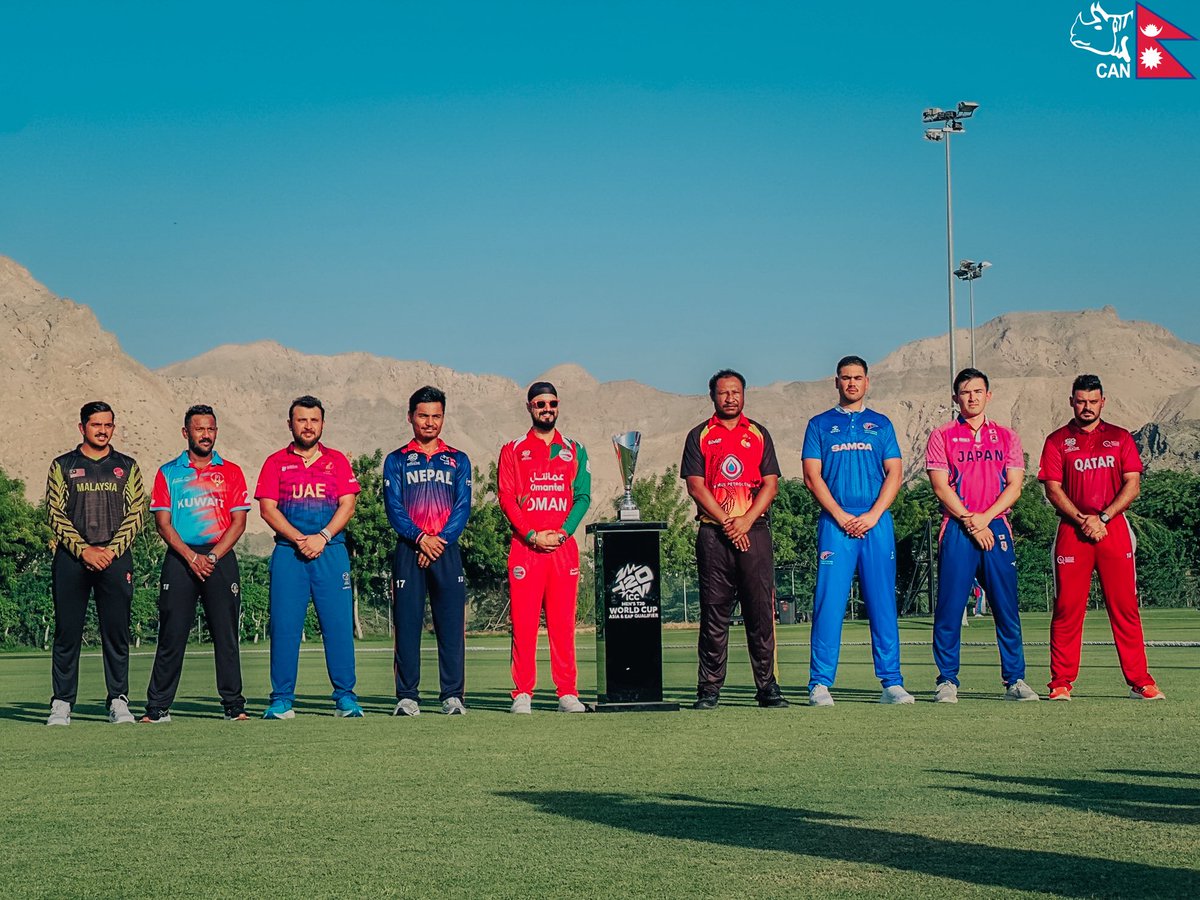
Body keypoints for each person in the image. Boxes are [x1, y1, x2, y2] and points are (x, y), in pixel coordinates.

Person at [1037, 374, 1164, 701]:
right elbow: (1052, 489)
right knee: (1067, 608)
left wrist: (1103, 517)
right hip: (1072, 530)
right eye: (1081, 401)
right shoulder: (1057, 440)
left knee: (1125, 607)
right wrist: (1082, 519)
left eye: (1093, 401)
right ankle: (1061, 683)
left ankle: (1140, 682)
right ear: (1071, 402)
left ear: (1102, 402)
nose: (1087, 407)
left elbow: (1133, 484)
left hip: (1113, 529)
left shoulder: (1120, 438)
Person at [802, 356, 913, 706]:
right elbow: (812, 477)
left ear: (867, 381)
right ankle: (820, 683)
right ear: (836, 382)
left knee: (882, 603)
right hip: (835, 525)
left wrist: (873, 515)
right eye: (846, 377)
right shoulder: (819, 424)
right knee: (829, 603)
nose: (852, 383)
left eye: (858, 377)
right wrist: (839, 515)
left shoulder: (881, 424)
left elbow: (895, 473)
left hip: (875, 524)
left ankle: (891, 683)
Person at [925, 368, 1039, 702]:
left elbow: (1015, 486)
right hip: (957, 527)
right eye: (965, 392)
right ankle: (947, 680)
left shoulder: (1007, 436)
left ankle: (1015, 680)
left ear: (988, 395)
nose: (972, 397)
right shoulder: (942, 435)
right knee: (949, 608)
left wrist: (985, 519)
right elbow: (940, 486)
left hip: (996, 526)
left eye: (977, 391)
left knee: (1006, 607)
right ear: (955, 398)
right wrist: (971, 521)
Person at [681, 369, 788, 710]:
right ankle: (709, 689)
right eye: (723, 392)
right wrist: (729, 523)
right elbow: (696, 486)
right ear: (712, 396)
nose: (730, 398)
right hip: (714, 534)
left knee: (760, 613)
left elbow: (771, 484)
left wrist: (745, 521)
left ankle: (767, 687)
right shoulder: (699, 435)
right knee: (714, 615)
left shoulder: (758, 433)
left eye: (735, 392)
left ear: (744, 394)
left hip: (754, 531)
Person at [254, 395, 363, 719]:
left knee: (338, 627)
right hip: (290, 553)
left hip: (331, 552)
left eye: (314, 420)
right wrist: (300, 539)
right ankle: (281, 700)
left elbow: (348, 505)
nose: (308, 426)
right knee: (285, 628)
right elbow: (267, 509)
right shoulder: (275, 462)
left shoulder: (337, 461)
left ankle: (345, 698)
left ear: (322, 424)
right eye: (301, 420)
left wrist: (323, 536)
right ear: (290, 424)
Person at [141, 404, 251, 723]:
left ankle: (233, 705)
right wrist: (191, 557)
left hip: (220, 557)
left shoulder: (231, 471)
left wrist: (212, 556)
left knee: (226, 635)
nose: (206, 434)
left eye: (211, 429)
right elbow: (163, 524)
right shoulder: (168, 472)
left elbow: (239, 522)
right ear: (185, 432)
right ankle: (158, 708)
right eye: (199, 429)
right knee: (172, 634)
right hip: (180, 558)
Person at [44, 401, 145, 726]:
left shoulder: (127, 466)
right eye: (96, 424)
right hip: (72, 559)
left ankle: (118, 699)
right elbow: (54, 512)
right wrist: (84, 550)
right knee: (67, 632)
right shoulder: (63, 465)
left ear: (113, 427)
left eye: (108, 425)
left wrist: (110, 551)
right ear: (82, 427)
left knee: (116, 632)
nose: (102, 430)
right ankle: (62, 702)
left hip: (115, 559)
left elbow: (137, 512)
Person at [498, 381, 591, 714]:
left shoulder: (575, 449)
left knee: (563, 624)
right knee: (523, 624)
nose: (547, 409)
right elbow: (507, 498)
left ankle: (567, 692)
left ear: (558, 405)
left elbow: (583, 497)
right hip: (526, 548)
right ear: (529, 407)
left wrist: (563, 533)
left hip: (562, 550)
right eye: (540, 404)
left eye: (552, 403)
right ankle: (522, 692)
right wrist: (532, 535)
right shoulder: (513, 449)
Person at [382, 386, 473, 716]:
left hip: (446, 550)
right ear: (410, 417)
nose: (430, 422)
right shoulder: (396, 460)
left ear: (443, 417)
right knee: (407, 626)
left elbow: (462, 507)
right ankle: (407, 697)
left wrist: (438, 541)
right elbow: (394, 508)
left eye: (436, 416)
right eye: (423, 415)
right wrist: (421, 538)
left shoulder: (458, 459)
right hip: (410, 549)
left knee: (451, 627)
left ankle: (452, 696)